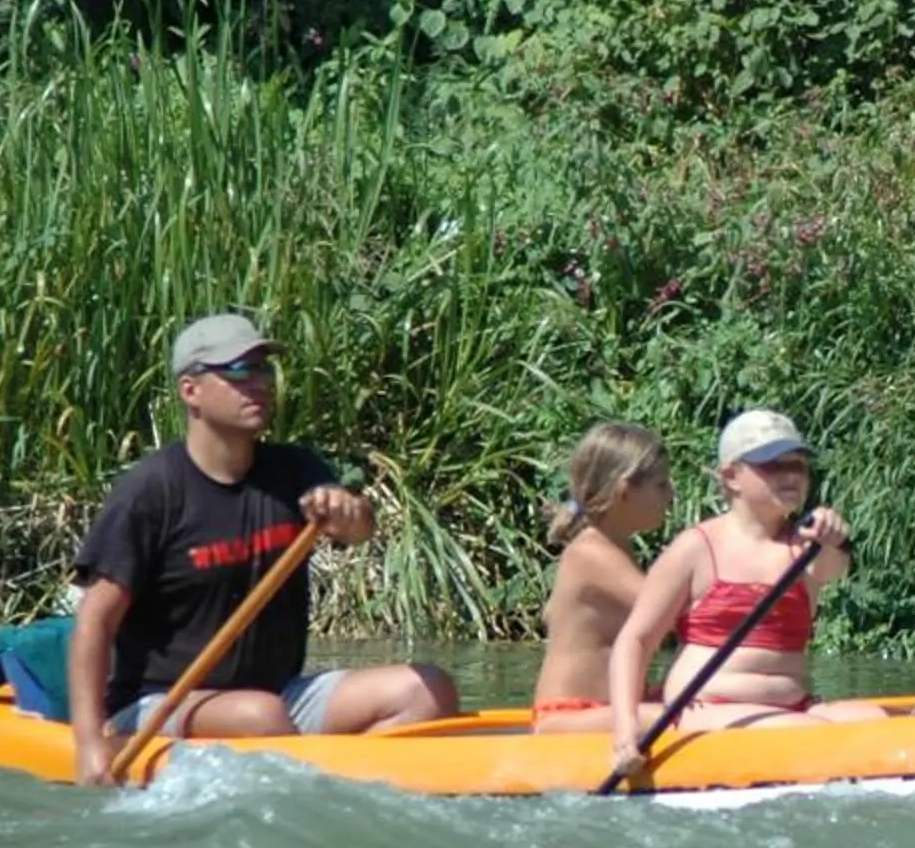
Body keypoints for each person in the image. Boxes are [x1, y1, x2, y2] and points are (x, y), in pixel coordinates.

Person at [67, 309, 459, 786]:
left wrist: (351, 513)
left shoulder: (294, 470)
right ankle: (312, 771)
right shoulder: (149, 492)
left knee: (429, 691)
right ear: (190, 391)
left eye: (263, 369)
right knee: (259, 716)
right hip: (158, 699)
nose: (258, 383)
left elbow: (358, 531)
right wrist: (89, 742)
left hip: (279, 691)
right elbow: (95, 621)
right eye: (238, 371)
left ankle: (347, 785)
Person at [607, 408, 885, 775]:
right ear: (731, 476)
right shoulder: (695, 548)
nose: (790, 475)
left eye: (798, 465)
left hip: (790, 706)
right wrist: (625, 727)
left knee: (877, 719)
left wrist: (835, 539)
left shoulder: (808, 547)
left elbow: (833, 567)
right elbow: (636, 640)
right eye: (772, 465)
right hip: (705, 706)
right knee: (808, 733)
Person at [532, 422, 675, 733]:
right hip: (568, 716)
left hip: (608, 710)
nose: (671, 494)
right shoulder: (590, 554)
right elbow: (670, 613)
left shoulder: (616, 549)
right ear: (625, 491)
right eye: (661, 485)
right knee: (689, 718)